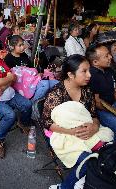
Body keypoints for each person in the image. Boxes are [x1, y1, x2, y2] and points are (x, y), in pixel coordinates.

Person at [44, 55, 101, 189]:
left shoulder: (87, 90)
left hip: (84, 130)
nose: (89, 75)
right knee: (89, 161)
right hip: (61, 133)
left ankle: (85, 180)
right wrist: (72, 131)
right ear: (70, 74)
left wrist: (95, 127)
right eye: (84, 71)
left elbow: (93, 115)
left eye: (89, 70)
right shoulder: (55, 94)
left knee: (106, 151)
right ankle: (64, 187)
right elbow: (47, 123)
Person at [4, 35, 59, 102]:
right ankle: (33, 102)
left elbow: (31, 68)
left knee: (57, 83)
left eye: (23, 44)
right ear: (12, 47)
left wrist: (38, 74)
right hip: (22, 86)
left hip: (32, 80)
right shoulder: (8, 59)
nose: (23, 47)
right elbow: (12, 77)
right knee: (46, 85)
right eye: (20, 45)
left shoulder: (23, 55)